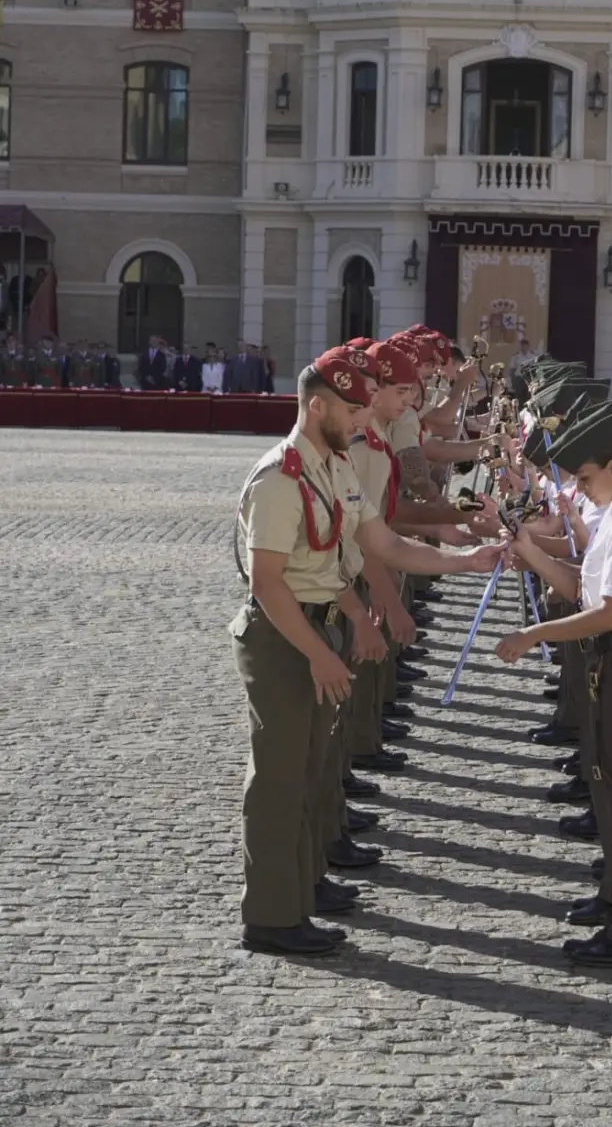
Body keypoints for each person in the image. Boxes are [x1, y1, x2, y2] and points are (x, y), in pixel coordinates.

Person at [230, 348, 499, 958]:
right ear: (316, 404)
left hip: (319, 629)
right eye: (351, 407)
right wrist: (320, 654)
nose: (360, 417)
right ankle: (271, 917)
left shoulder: (335, 468)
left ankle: (298, 897)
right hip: (284, 638)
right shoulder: (280, 479)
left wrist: (464, 560)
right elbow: (267, 584)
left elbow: (379, 541)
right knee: (278, 779)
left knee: (308, 771)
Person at [497, 401, 612, 970]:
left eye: (586, 476)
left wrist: (534, 633)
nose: (580, 488)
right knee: (611, 787)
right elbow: (584, 587)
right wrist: (529, 552)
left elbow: (610, 611)